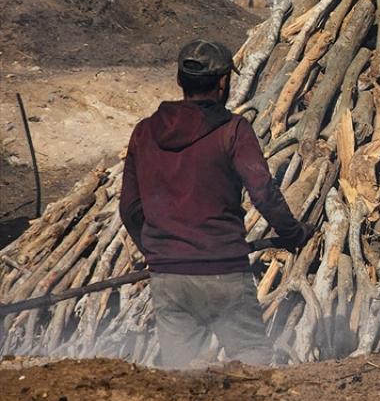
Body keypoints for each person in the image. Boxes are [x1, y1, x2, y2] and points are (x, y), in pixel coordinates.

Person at [120, 40, 311, 368]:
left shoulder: (144, 132)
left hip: (169, 279)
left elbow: (130, 208)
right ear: (223, 83)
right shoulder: (233, 130)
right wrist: (294, 233)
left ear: (179, 80)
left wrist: (160, 252)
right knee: (252, 363)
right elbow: (263, 192)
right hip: (224, 272)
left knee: (180, 375)